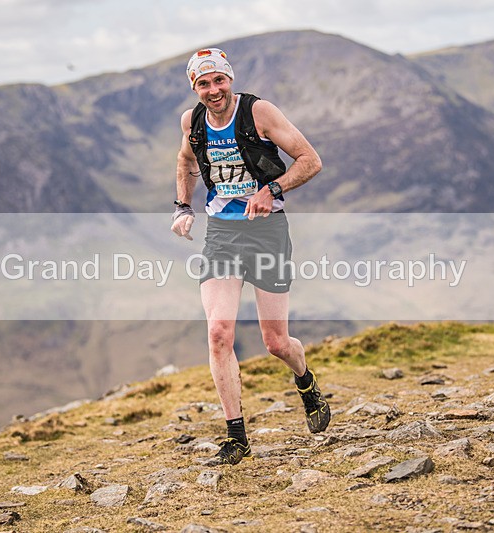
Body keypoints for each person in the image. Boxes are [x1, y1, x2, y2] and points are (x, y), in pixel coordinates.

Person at [171, 48, 330, 465]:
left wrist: (271, 190)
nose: (213, 90)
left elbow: (310, 160)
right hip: (222, 234)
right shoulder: (192, 122)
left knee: (276, 342)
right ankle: (236, 436)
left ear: (230, 79)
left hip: (267, 232)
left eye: (219, 80)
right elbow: (186, 160)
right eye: (203, 84)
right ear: (195, 88)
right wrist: (183, 207)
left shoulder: (258, 113)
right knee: (219, 332)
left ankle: (305, 380)